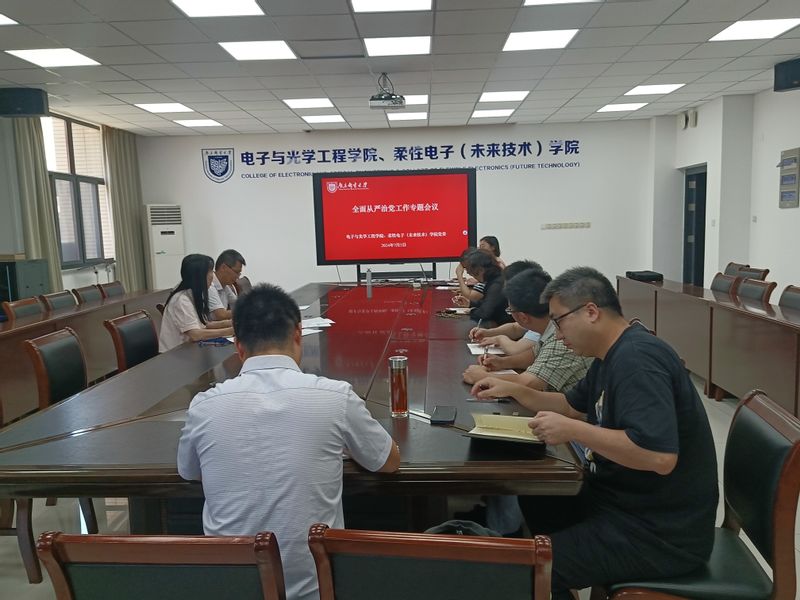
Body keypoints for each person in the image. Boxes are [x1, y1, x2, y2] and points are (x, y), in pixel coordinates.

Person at [473, 267, 718, 598]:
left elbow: (659, 457)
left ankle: (547, 571)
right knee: (537, 495)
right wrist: (514, 389)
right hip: (618, 502)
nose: (557, 334)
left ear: (591, 311)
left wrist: (574, 430)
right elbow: (569, 405)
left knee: (523, 568)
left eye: (559, 322)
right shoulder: (609, 354)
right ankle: (556, 569)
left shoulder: (637, 360)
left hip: (659, 532)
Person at [177, 284, 400, 600]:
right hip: (318, 591)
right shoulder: (334, 397)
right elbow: (388, 461)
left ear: (238, 346)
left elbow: (189, 472)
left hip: (231, 590)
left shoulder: (204, 405)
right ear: (298, 334)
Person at [462, 268, 592, 536]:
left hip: (580, 448)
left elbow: (532, 384)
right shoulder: (555, 331)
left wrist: (486, 377)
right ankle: (496, 519)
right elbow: (534, 358)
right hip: (567, 418)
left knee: (508, 449)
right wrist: (501, 367)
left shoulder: (565, 340)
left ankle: (504, 531)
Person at [158, 254, 234, 352]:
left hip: (190, 351)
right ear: (199, 276)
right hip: (174, 355)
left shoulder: (194, 295)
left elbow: (204, 324)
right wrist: (229, 330)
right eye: (210, 272)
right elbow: (195, 334)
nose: (212, 276)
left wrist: (231, 323)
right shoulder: (181, 300)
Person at [452, 250, 512, 324]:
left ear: (481, 270)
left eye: (472, 272)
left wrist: (472, 311)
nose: (469, 273)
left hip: (502, 324)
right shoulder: (493, 280)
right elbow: (488, 302)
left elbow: (485, 313)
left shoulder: (497, 284)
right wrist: (470, 303)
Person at [208, 249, 246, 320]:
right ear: (223, 267)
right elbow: (221, 314)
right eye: (236, 272)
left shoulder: (225, 286)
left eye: (239, 273)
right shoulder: (209, 285)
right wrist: (248, 311)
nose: (238, 277)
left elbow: (237, 304)